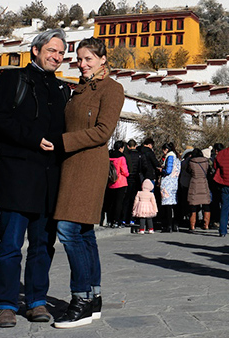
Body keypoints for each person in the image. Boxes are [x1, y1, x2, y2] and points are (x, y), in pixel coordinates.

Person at [0, 28, 70, 328]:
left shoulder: (62, 90)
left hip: (50, 180)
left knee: (42, 245)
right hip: (17, 177)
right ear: (36, 50)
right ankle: (6, 304)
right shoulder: (13, 80)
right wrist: (34, 140)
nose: (56, 57)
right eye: (52, 50)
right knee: (10, 245)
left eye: (61, 53)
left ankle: (36, 301)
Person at [49, 37, 124, 328]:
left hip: (89, 166)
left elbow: (103, 131)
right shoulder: (78, 90)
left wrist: (62, 142)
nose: (82, 64)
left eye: (88, 59)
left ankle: (79, 300)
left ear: (103, 59)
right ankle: (93, 297)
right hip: (69, 165)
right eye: (79, 59)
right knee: (83, 232)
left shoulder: (112, 89)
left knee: (67, 229)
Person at [187, 148, 212, 231]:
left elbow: (188, 171)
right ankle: (206, 224)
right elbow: (209, 171)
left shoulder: (191, 162)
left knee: (193, 206)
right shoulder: (206, 162)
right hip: (204, 183)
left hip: (194, 184)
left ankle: (192, 225)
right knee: (206, 205)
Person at [105, 141, 129, 228]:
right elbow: (125, 172)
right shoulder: (121, 157)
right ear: (121, 148)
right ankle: (117, 221)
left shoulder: (109, 156)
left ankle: (110, 220)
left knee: (111, 202)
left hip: (111, 182)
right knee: (119, 203)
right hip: (120, 182)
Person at [159, 142, 181, 233]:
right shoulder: (177, 157)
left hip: (167, 183)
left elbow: (168, 170)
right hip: (174, 182)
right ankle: (175, 224)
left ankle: (168, 225)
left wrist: (161, 170)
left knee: (167, 205)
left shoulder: (170, 156)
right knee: (174, 204)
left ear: (166, 150)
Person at [120, 139, 143, 226]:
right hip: (136, 178)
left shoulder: (125, 155)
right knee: (134, 200)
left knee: (126, 199)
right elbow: (140, 167)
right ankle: (132, 218)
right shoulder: (139, 155)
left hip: (127, 178)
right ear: (136, 145)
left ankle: (123, 218)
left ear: (128, 146)